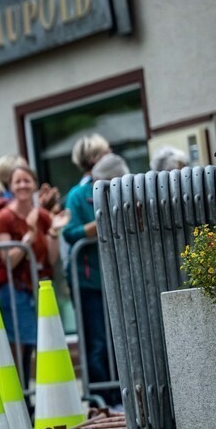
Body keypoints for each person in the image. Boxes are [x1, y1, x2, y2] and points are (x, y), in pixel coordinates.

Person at [0, 165, 71, 380]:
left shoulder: (44, 216)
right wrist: (29, 235)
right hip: (15, 290)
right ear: (10, 186)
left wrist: (53, 232)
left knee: (41, 343)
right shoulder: (3, 218)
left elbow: (51, 258)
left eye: (27, 180)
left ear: (34, 184)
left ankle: (37, 399)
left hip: (39, 288)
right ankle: (21, 397)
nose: (23, 185)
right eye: (18, 181)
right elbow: (7, 260)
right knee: (20, 347)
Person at [64, 153, 128, 407]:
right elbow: (70, 233)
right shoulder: (77, 197)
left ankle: (118, 391)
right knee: (97, 340)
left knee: (118, 338)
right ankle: (102, 397)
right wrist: (100, 222)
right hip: (89, 281)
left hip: (116, 277)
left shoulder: (121, 191)